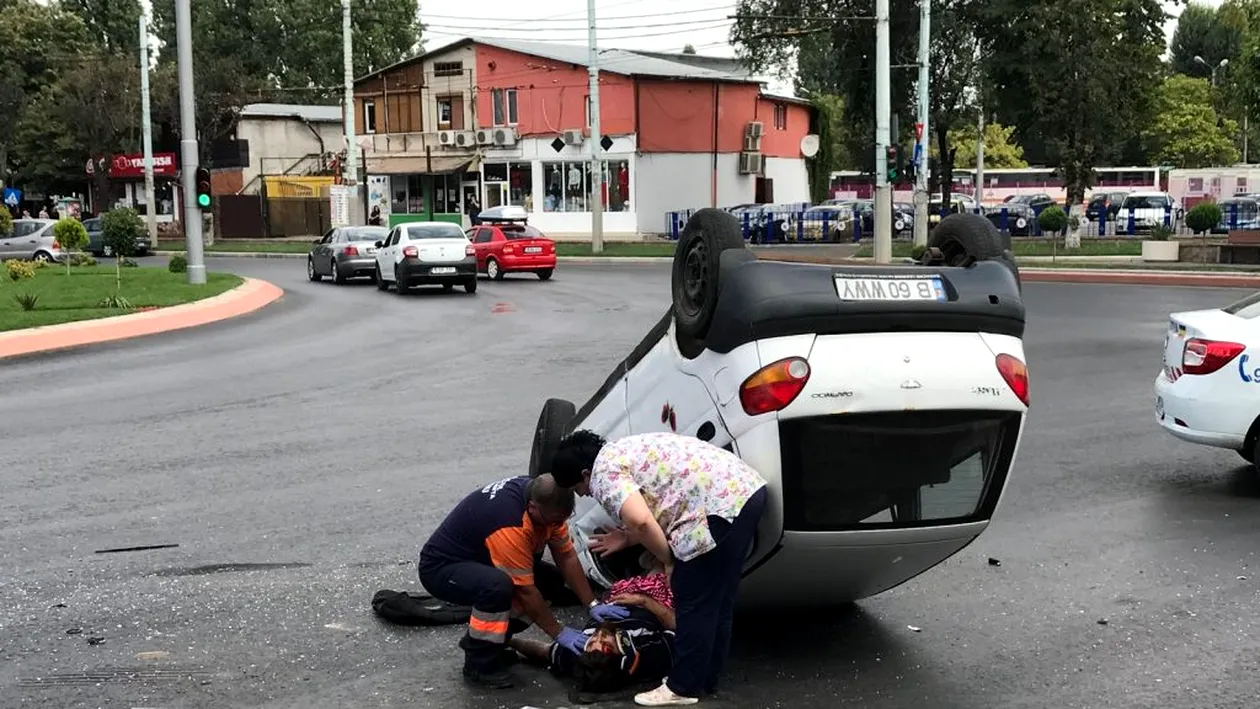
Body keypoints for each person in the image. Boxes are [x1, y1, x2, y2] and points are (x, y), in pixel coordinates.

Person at [551, 431, 768, 707]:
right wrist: (629, 537)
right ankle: (706, 677)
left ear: (584, 473)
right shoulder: (620, 451)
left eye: (577, 488)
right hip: (743, 493)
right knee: (716, 598)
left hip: (717, 508)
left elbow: (642, 521)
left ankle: (683, 686)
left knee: (691, 597)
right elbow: (654, 503)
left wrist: (667, 559)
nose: (583, 494)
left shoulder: (603, 475)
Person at [417, 474, 601, 689]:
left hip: (484, 559)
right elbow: (525, 591)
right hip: (443, 568)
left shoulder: (546, 502)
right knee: (496, 588)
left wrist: (592, 604)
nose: (557, 525)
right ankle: (479, 664)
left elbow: (567, 556)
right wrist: (558, 632)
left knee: (550, 582)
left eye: (562, 520)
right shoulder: (510, 523)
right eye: (552, 521)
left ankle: (489, 643)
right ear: (532, 508)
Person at [509, 569, 677, 695]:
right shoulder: (651, 655)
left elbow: (543, 651)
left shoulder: (578, 656)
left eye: (590, 642)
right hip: (657, 600)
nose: (599, 635)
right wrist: (644, 601)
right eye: (606, 645)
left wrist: (509, 641)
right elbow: (679, 626)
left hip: (612, 595)